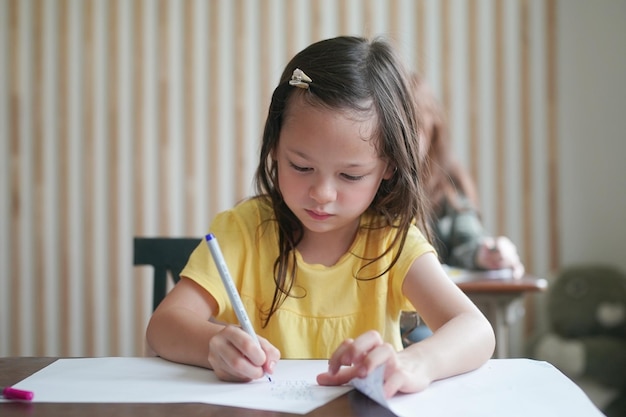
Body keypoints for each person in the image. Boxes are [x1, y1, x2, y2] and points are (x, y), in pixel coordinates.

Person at [146, 36, 495, 398]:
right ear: (274, 148)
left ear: (388, 166)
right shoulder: (244, 231)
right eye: (301, 166)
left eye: (350, 175)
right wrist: (214, 344)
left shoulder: (392, 243)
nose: (322, 194)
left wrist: (415, 363)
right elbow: (163, 327)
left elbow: (475, 329)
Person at [413, 74, 525, 278]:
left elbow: (467, 236)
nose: (401, 142)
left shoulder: (448, 189)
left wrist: (487, 253)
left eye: (414, 128)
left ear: (432, 132)